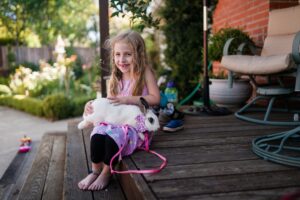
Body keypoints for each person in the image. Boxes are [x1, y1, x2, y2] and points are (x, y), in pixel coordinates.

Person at [78, 30, 160, 191]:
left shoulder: (145, 73)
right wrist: (91, 105)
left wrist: (128, 99)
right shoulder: (115, 79)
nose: (121, 60)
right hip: (117, 121)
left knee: (114, 137)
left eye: (128, 54)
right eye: (117, 54)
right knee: (98, 132)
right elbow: (109, 106)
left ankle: (107, 172)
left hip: (137, 125)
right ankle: (95, 170)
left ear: (139, 55)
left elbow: (156, 98)